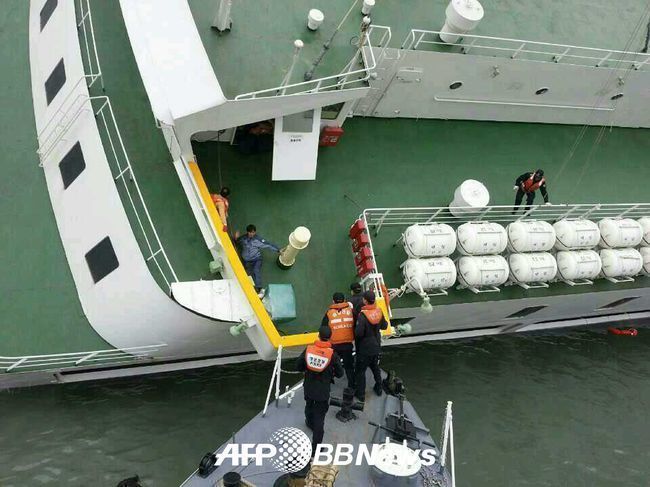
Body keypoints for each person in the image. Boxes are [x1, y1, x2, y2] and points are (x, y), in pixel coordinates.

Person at [296, 327, 344, 456]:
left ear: (318, 335)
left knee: (308, 405)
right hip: (322, 391)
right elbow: (340, 374)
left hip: (308, 386)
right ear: (330, 338)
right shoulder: (332, 354)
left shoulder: (308, 349)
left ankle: (308, 421)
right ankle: (315, 449)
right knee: (320, 418)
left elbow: (298, 366)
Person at [354, 291, 388, 402]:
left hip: (365, 348)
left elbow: (358, 333)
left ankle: (360, 394)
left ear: (365, 300)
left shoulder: (362, 315)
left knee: (360, 371)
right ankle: (379, 388)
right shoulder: (379, 311)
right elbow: (384, 326)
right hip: (376, 345)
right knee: (375, 367)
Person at [320, 292, 355, 389]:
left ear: (333, 301)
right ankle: (352, 385)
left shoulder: (329, 313)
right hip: (347, 344)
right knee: (349, 367)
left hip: (334, 345)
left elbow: (323, 328)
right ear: (344, 300)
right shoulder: (351, 311)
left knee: (331, 364)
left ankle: (328, 384)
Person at [236, 224, 280, 297]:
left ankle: (259, 289)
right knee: (247, 273)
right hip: (246, 260)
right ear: (247, 232)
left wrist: (278, 250)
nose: (252, 234)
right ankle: (251, 289)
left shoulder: (258, 239)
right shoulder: (243, 238)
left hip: (257, 259)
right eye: (250, 232)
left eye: (253, 232)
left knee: (256, 270)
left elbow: (268, 244)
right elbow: (237, 241)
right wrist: (236, 238)